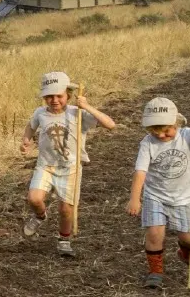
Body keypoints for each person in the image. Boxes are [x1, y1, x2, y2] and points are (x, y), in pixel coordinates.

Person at [20, 71, 117, 258]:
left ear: (69, 96)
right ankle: (40, 216)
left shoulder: (77, 113)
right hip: (45, 165)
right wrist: (26, 140)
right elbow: (30, 127)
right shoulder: (40, 113)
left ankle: (64, 239)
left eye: (59, 96)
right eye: (49, 96)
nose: (54, 100)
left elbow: (110, 124)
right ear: (44, 98)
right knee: (34, 199)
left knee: (66, 209)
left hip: (70, 168)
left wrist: (87, 106)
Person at [128, 97, 190, 289]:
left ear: (176, 122)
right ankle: (155, 272)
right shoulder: (147, 143)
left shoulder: (187, 135)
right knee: (154, 234)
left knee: (188, 238)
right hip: (155, 196)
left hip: (183, 197)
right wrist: (134, 199)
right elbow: (140, 172)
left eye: (166, 130)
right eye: (156, 130)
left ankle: (186, 255)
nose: (161, 135)